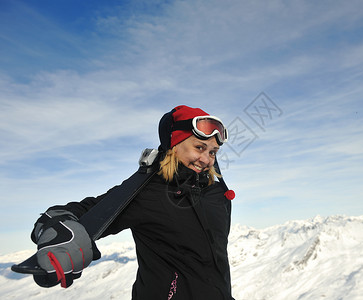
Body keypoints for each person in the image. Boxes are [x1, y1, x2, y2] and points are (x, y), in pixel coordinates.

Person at [30, 105, 236, 299]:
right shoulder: (147, 193)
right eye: (199, 147)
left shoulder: (216, 193)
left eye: (213, 152)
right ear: (174, 145)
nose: (207, 159)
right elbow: (84, 211)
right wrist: (57, 227)